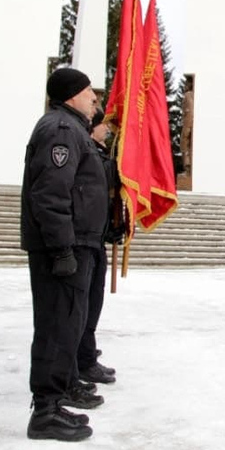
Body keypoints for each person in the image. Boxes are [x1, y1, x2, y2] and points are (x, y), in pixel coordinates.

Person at [21, 68, 108, 441]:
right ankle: (46, 411)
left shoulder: (72, 129)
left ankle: (63, 387)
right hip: (64, 247)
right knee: (57, 326)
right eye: (90, 93)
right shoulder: (61, 130)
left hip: (79, 242)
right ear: (73, 94)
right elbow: (51, 195)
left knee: (69, 323)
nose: (95, 100)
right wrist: (61, 249)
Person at [76, 110, 123, 387]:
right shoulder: (89, 151)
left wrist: (112, 227)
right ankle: (82, 360)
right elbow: (97, 190)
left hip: (96, 236)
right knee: (82, 306)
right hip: (83, 237)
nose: (108, 129)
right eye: (104, 125)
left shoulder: (102, 152)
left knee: (94, 301)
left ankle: (86, 353)